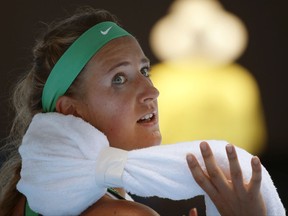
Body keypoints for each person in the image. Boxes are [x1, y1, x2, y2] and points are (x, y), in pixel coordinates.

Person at [0, 6, 268, 216]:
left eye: (144, 71)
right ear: (71, 111)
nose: (152, 92)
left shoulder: (23, 200)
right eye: (119, 78)